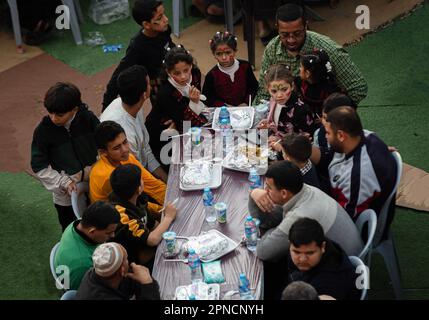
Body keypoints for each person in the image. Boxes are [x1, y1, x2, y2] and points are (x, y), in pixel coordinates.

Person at [254, 3, 367, 106]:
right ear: (277, 28)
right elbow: (264, 94)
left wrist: (334, 114)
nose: (291, 40)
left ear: (306, 26)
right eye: (284, 34)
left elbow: (357, 87)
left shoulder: (328, 49)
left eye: (297, 33)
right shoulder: (271, 49)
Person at [248, 160, 363, 261]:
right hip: (351, 252)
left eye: (268, 187)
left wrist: (273, 231)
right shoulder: (303, 189)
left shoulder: (299, 217)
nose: (265, 190)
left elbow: (263, 252)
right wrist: (254, 195)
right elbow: (269, 219)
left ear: (284, 193)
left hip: (344, 266)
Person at [31, 82, 99, 232]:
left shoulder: (88, 118)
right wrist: (63, 182)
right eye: (50, 113)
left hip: (93, 185)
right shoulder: (43, 131)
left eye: (59, 115)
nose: (54, 118)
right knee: (71, 230)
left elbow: (103, 141)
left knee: (97, 227)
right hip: (65, 196)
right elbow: (38, 165)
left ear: (74, 109)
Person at [311, 106, 397, 221]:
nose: (326, 137)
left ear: (341, 136)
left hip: (356, 225)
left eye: (328, 133)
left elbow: (347, 220)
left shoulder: (358, 175)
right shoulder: (367, 135)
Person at [102, 0, 175, 111]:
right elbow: (117, 77)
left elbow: (169, 45)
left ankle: (187, 127)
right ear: (146, 24)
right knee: (167, 118)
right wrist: (105, 110)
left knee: (186, 110)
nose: (166, 19)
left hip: (176, 78)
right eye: (159, 18)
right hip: (159, 89)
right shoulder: (137, 47)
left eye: (164, 14)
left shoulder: (164, 30)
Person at [100, 65, 168, 183]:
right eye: (148, 83)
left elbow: (145, 150)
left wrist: (167, 179)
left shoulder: (131, 104)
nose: (151, 85)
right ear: (144, 95)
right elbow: (137, 174)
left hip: (140, 173)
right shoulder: (124, 136)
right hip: (130, 183)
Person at [145, 46, 208, 164]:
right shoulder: (165, 92)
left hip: (182, 123)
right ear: (168, 72)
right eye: (176, 73)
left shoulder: (195, 74)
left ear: (191, 66)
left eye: (186, 70)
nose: (183, 76)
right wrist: (194, 103)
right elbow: (185, 123)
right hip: (162, 133)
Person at [89, 121, 166, 214]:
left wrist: (174, 200)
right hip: (115, 220)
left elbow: (152, 184)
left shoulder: (126, 157)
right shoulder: (106, 176)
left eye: (125, 142)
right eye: (117, 148)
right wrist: (164, 210)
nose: (125, 150)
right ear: (103, 152)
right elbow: (133, 205)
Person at [109, 164, 177, 266]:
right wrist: (168, 217)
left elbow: (153, 225)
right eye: (141, 179)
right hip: (134, 263)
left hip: (148, 248)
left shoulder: (138, 198)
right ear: (138, 188)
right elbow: (152, 240)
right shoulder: (121, 215)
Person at [286, 218, 361, 300]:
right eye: (297, 252)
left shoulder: (328, 284)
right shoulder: (322, 246)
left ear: (323, 247)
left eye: (310, 253)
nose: (302, 259)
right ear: (290, 244)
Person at [54, 201, 120, 290]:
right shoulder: (83, 265)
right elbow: (84, 293)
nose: (113, 235)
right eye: (108, 233)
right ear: (92, 231)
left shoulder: (77, 224)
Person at [75, 242, 160, 300]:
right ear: (122, 270)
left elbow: (132, 284)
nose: (129, 262)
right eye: (126, 259)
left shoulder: (100, 273)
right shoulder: (103, 296)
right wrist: (147, 282)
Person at [257, 64, 316, 144]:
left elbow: (306, 142)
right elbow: (278, 124)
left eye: (284, 89)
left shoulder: (302, 111)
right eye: (274, 91)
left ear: (292, 86)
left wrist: (280, 142)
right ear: (267, 89)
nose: (279, 95)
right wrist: (268, 124)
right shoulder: (273, 101)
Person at [202, 31, 258, 108]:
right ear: (214, 54)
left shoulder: (245, 66)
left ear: (235, 51)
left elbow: (253, 87)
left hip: (246, 109)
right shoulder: (212, 75)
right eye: (219, 54)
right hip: (224, 113)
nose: (224, 58)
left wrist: (246, 102)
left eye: (228, 52)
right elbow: (207, 98)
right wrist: (224, 106)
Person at [295, 49, 342, 117]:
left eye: (301, 66)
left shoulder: (328, 93)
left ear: (307, 73)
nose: (299, 69)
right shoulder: (301, 81)